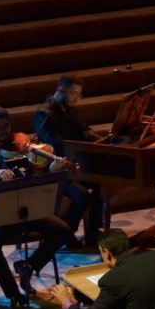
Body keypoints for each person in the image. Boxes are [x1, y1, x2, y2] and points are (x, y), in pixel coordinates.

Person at [0, 106, 74, 309]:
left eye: (6, 126)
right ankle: (14, 295)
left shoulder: (22, 148)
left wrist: (51, 170)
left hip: (23, 209)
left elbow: (34, 177)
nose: (4, 132)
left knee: (62, 230)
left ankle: (29, 266)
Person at [33, 74, 105, 247]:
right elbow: (55, 144)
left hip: (72, 166)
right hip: (53, 170)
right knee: (82, 196)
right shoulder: (43, 115)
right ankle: (63, 235)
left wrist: (103, 142)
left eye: (78, 94)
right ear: (61, 90)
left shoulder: (72, 111)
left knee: (99, 186)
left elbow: (85, 131)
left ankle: (93, 237)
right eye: (73, 93)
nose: (76, 98)